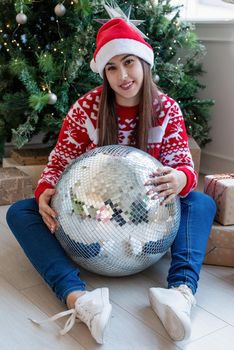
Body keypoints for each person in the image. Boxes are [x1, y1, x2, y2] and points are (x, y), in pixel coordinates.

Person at [6, 17, 216, 344]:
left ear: (144, 61)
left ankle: (180, 292)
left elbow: (182, 164)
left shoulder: (166, 109)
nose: (122, 76)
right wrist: (46, 188)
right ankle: (79, 298)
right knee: (20, 212)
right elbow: (61, 158)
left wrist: (179, 177)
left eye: (129, 63)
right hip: (92, 215)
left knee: (201, 202)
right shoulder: (86, 109)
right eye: (112, 68)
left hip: (152, 217)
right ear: (103, 73)